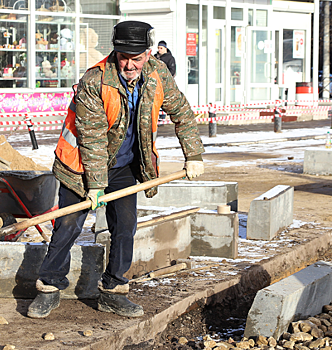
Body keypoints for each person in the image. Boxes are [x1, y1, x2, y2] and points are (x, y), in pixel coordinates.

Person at [28, 20, 205, 319]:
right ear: (115, 52)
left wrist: (194, 154)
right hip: (80, 166)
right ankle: (49, 286)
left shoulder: (158, 74)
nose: (129, 64)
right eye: (123, 56)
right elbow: (93, 138)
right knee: (68, 226)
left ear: (148, 54)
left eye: (136, 58)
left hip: (124, 165)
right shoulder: (94, 81)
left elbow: (182, 113)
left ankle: (113, 291)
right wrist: (95, 185)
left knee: (125, 226)